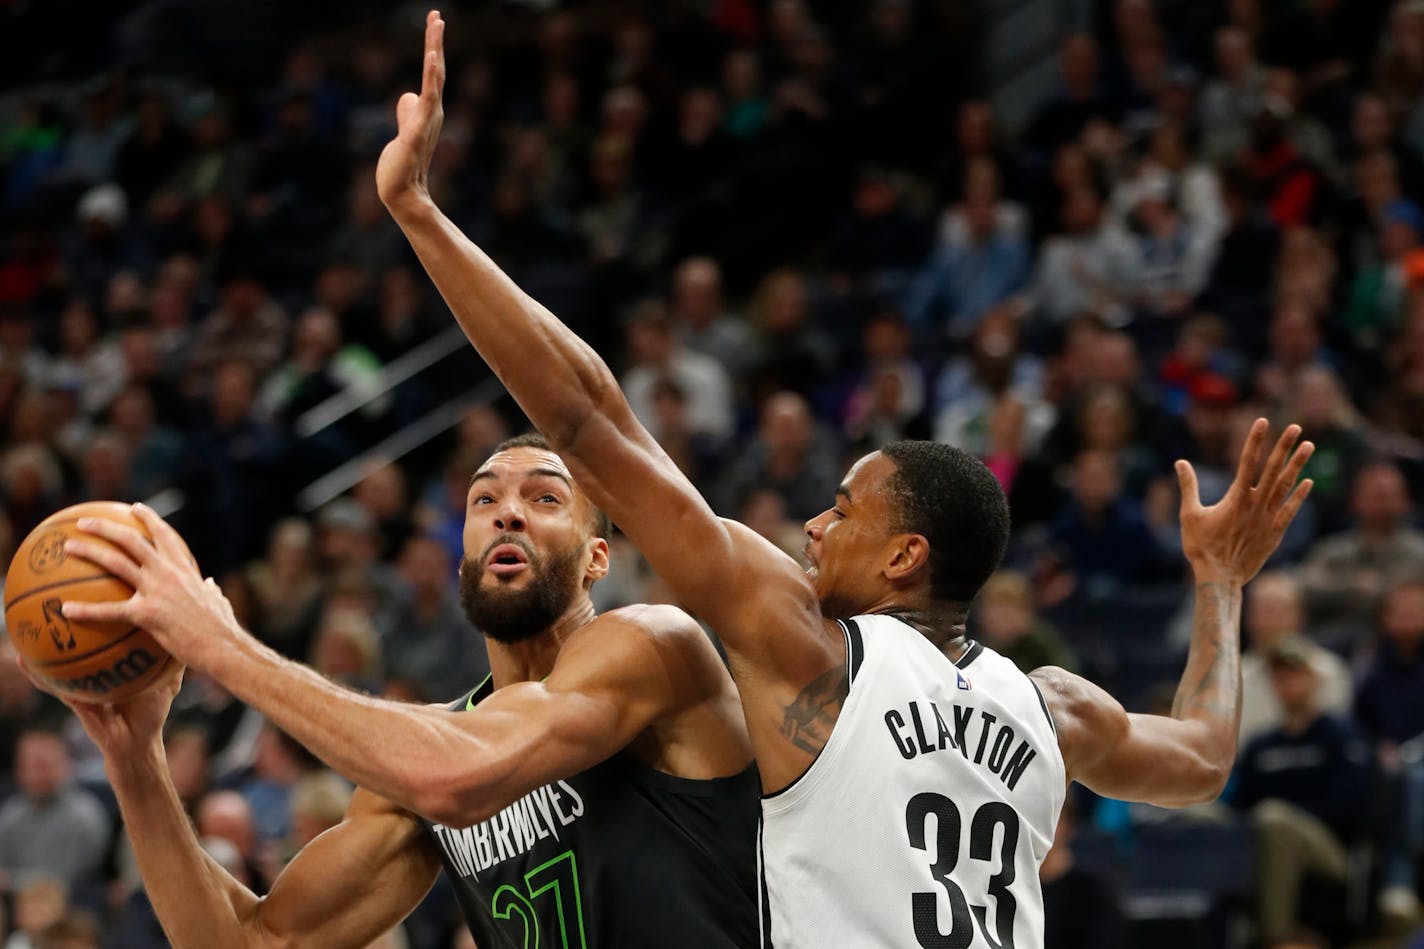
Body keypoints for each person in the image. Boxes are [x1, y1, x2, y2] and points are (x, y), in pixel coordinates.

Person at [366, 14, 1314, 946]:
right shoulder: (1050, 706)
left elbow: (585, 419)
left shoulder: (812, 651)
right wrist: (1221, 586)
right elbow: (1202, 757)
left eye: (843, 508)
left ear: (905, 554)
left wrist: (420, 216)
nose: (814, 526)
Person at [46, 433, 760, 946]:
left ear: (598, 557)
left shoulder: (655, 643)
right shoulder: (422, 764)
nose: (506, 512)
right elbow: (253, 942)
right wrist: (136, 758)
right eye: (484, 499)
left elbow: (457, 774)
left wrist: (220, 644)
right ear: (463, 565)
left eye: (545, 496)